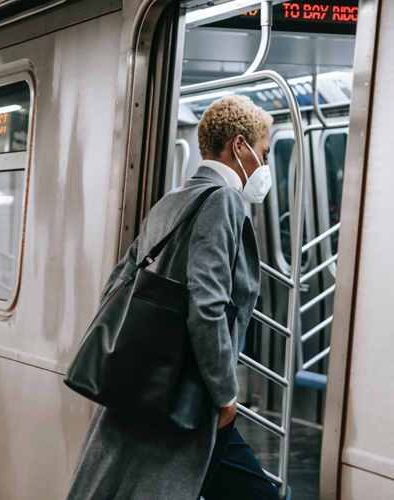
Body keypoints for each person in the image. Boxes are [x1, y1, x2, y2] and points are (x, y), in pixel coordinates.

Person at [65, 95, 280, 500]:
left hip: (145, 379)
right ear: (239, 146)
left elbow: (118, 283)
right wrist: (226, 394)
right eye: (263, 153)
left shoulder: (169, 202)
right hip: (188, 393)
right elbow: (207, 305)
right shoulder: (223, 201)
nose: (263, 166)